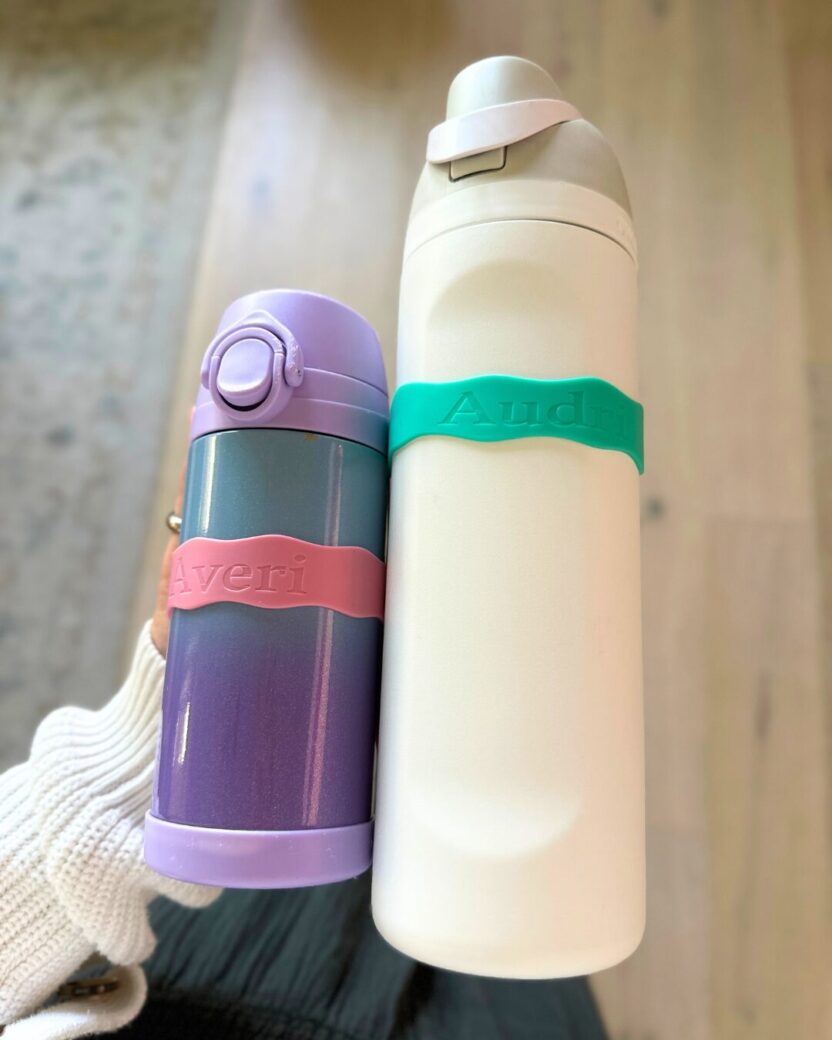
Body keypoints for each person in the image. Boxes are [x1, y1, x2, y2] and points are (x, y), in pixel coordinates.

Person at [0, 482, 609, 1040]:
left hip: (176, 968)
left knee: (469, 869)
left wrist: (155, 747)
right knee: (524, 932)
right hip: (216, 982)